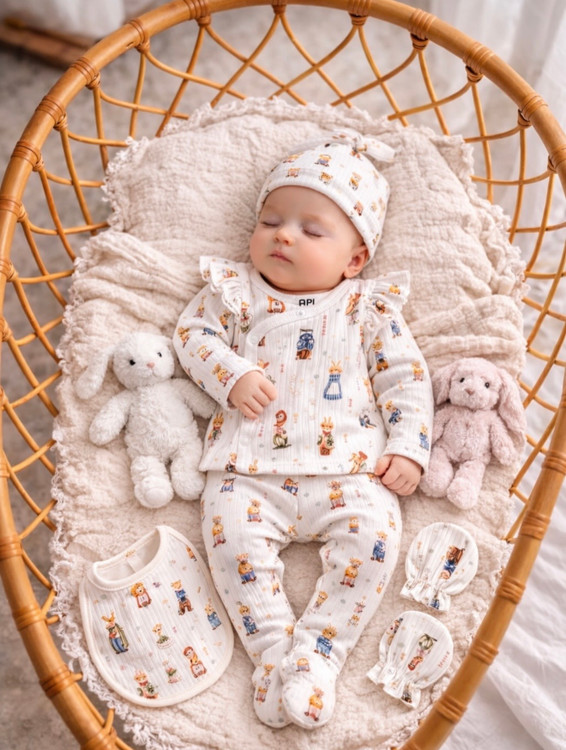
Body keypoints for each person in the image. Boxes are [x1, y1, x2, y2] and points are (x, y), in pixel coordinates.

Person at [173, 130, 434, 730]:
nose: (283, 235)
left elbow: (406, 378)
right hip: (247, 471)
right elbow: (192, 336)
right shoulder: (235, 294)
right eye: (270, 221)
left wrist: (408, 448)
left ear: (354, 260)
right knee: (229, 540)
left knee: (376, 537)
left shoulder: (367, 309)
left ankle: (318, 653)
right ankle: (272, 654)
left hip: (350, 471)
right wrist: (231, 373)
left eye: (311, 231)